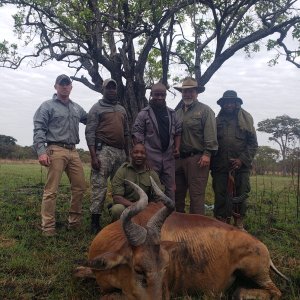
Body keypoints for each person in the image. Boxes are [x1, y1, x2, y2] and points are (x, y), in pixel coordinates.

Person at [33, 74, 87, 237]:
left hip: (73, 151)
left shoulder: (76, 107)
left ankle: (74, 223)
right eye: (61, 84)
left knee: (80, 187)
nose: (65, 86)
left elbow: (90, 119)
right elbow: (39, 128)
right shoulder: (47, 106)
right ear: (55, 86)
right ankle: (48, 227)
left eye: (67, 84)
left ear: (71, 87)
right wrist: (41, 151)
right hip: (55, 149)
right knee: (51, 191)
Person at [85, 78, 129, 233]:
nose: (111, 90)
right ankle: (95, 222)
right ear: (102, 90)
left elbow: (126, 132)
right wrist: (93, 156)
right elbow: (89, 132)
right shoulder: (96, 108)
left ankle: (117, 216)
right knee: (99, 186)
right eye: (108, 88)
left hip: (120, 152)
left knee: (121, 186)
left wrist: (127, 154)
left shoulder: (122, 109)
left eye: (113, 88)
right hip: (103, 151)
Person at [211, 90, 258, 229]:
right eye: (226, 102)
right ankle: (221, 222)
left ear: (237, 103)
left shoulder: (246, 120)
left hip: (241, 167)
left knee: (241, 194)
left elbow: (253, 144)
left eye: (232, 102)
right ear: (223, 104)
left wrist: (241, 160)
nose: (229, 105)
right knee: (220, 196)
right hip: (220, 167)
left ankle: (239, 223)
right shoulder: (216, 121)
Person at [174, 77, 218, 214]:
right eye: (184, 91)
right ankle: (177, 225)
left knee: (196, 196)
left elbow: (210, 134)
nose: (187, 94)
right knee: (177, 194)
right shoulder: (177, 113)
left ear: (196, 92)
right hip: (178, 159)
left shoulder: (205, 111)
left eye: (190, 91)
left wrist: (207, 154)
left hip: (197, 159)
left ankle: (197, 229)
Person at [132, 83, 181, 201]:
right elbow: (137, 136)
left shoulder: (172, 113)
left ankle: (170, 217)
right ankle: (149, 216)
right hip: (150, 158)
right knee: (151, 189)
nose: (160, 97)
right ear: (151, 95)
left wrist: (177, 147)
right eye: (157, 94)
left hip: (168, 158)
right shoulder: (143, 114)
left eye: (162, 95)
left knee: (170, 189)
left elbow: (178, 132)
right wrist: (144, 158)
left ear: (165, 95)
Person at [110, 143, 163, 221]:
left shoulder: (152, 173)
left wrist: (151, 208)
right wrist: (136, 206)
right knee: (117, 209)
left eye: (142, 153)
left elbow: (159, 197)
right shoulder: (122, 170)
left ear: (146, 155)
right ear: (131, 154)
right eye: (136, 152)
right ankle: (119, 229)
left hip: (146, 208)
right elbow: (117, 198)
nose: (139, 155)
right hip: (127, 206)